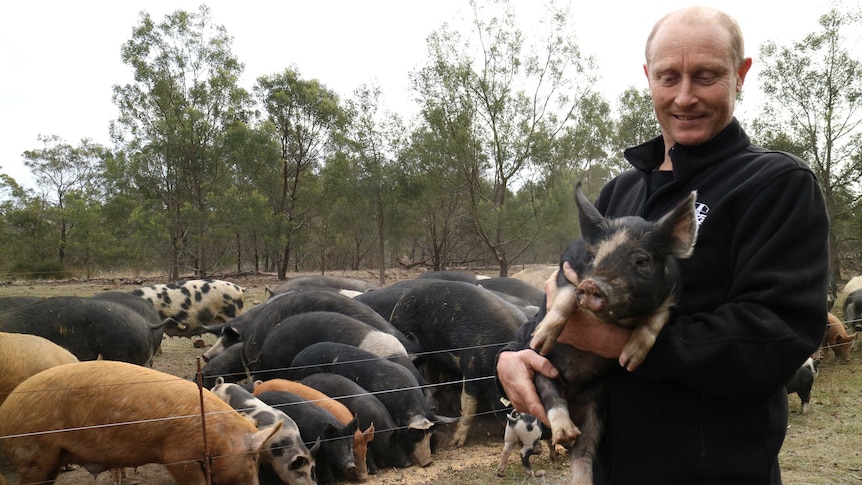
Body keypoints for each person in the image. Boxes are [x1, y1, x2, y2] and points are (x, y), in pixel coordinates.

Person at [495, 6, 829, 484]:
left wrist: (623, 343)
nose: (685, 96)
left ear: (741, 74)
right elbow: (566, 285)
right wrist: (511, 356)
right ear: (648, 77)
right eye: (669, 77)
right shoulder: (619, 192)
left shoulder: (776, 184)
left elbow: (777, 335)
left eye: (707, 76)